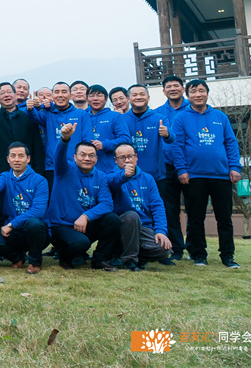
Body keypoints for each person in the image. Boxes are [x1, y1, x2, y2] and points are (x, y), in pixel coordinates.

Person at [173, 79, 242, 269]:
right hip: (194, 176)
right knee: (196, 218)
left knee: (224, 218)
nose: (198, 94)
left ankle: (227, 256)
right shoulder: (180, 118)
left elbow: (231, 143)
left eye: (201, 90)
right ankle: (199, 255)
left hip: (221, 175)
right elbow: (177, 146)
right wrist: (182, 169)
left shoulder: (220, 116)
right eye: (194, 91)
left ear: (207, 93)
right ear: (187, 95)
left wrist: (235, 167)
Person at [50, 124, 120, 272]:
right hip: (62, 226)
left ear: (96, 159)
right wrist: (65, 139)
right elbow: (58, 156)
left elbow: (107, 204)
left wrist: (86, 216)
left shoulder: (101, 177)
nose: (87, 158)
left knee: (112, 219)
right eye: (82, 155)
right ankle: (65, 257)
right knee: (81, 243)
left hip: (84, 224)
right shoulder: (64, 170)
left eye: (91, 155)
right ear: (74, 157)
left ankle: (100, 259)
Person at [0, 143, 49, 274]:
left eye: (21, 156)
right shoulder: (5, 177)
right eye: (13, 156)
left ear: (28, 159)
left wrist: (12, 224)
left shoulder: (39, 181)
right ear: (8, 159)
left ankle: (35, 262)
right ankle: (18, 258)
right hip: (13, 232)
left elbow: (38, 211)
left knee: (34, 223)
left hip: (35, 231)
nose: (17, 159)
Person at [108, 143, 172, 271]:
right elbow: (112, 181)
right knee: (132, 216)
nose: (127, 160)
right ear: (115, 160)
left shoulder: (148, 179)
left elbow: (157, 206)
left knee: (164, 250)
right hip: (121, 226)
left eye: (130, 156)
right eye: (122, 157)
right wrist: (124, 176)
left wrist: (160, 231)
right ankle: (129, 260)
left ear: (136, 157)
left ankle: (126, 254)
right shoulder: (109, 176)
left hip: (143, 227)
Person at [154, 74, 191, 261]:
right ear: (164, 91)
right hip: (167, 168)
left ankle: (195, 248)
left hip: (190, 167)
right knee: (170, 209)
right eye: (169, 87)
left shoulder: (193, 109)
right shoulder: (158, 113)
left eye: (176, 86)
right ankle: (176, 248)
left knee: (193, 209)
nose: (173, 89)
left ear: (183, 89)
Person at [0, 83, 43, 180]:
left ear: (15, 95)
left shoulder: (28, 117)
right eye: (2, 93)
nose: (6, 95)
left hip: (26, 172)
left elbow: (37, 148)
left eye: (9, 92)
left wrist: (38, 172)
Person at [26, 81, 85, 192]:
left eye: (64, 92)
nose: (60, 95)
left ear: (71, 95)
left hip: (76, 166)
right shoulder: (48, 114)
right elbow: (35, 116)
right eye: (57, 92)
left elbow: (87, 140)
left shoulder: (81, 114)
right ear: (52, 96)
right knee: (53, 199)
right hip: (51, 167)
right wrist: (30, 108)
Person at [74, 85, 129, 174]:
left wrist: (104, 144)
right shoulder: (82, 116)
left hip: (110, 169)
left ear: (106, 99)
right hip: (85, 170)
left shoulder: (115, 116)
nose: (95, 99)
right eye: (91, 96)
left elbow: (125, 139)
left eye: (99, 96)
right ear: (87, 99)